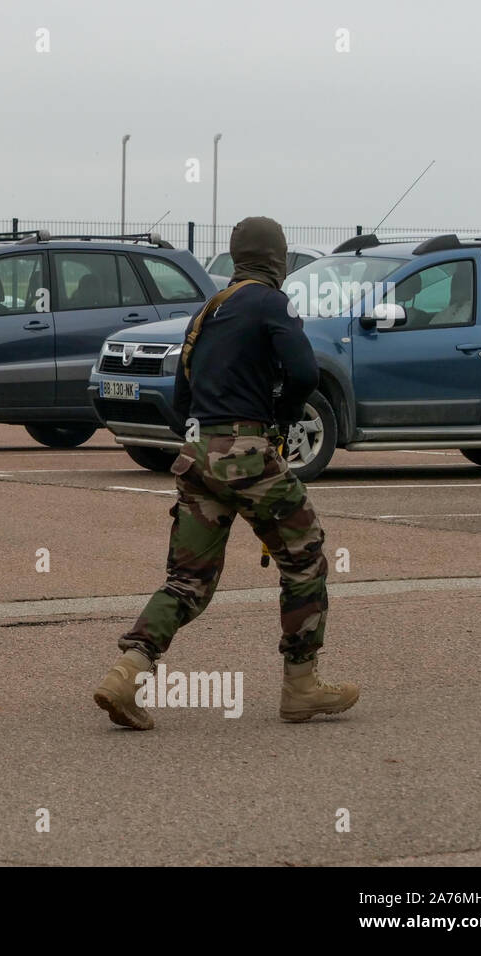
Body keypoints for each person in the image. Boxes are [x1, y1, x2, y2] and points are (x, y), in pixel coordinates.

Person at [93, 216, 358, 730]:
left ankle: (126, 673)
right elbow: (304, 371)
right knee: (305, 558)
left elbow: (180, 398)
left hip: (197, 456)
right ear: (277, 258)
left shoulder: (206, 312)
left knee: (187, 582)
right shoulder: (269, 302)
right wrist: (279, 417)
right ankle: (301, 684)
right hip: (247, 454)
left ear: (237, 256)